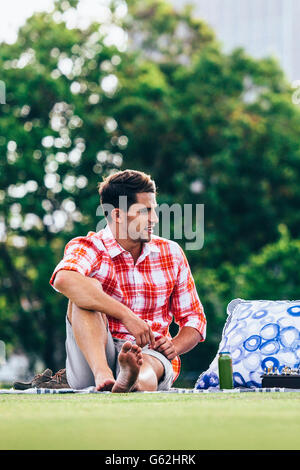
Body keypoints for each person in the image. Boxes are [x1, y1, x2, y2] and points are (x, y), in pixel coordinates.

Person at [49, 169, 206, 392]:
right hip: (93, 357)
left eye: (155, 210)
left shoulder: (172, 253)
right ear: (117, 215)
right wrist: (126, 315)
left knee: (149, 362)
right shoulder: (89, 246)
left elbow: (195, 319)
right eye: (145, 211)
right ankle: (103, 374)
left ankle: (132, 381)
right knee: (84, 290)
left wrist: (174, 346)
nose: (155, 219)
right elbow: (63, 278)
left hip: (149, 353)